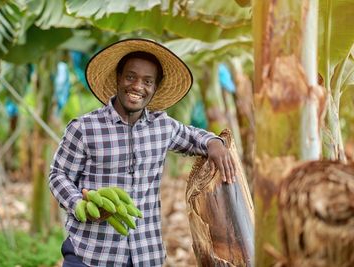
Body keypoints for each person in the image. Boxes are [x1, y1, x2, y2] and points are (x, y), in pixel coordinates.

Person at [49, 38, 237, 267]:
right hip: (91, 255)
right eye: (131, 77)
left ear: (155, 88)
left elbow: (194, 136)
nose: (138, 86)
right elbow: (58, 174)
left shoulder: (162, 126)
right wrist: (79, 204)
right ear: (118, 78)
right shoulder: (84, 128)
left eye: (148, 81)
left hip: (146, 255)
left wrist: (215, 143)